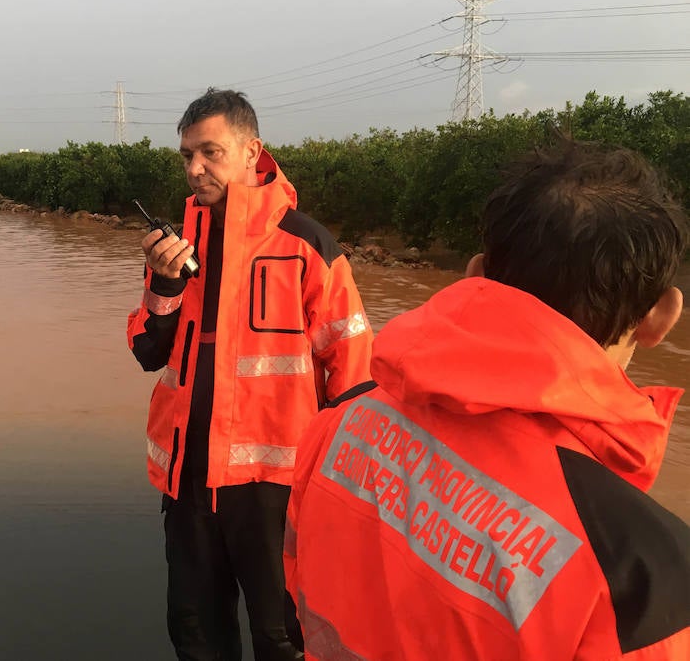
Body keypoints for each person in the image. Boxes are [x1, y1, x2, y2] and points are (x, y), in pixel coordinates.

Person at [284, 139, 690, 660]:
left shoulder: (340, 423)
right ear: (662, 317)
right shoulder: (640, 579)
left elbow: (297, 583)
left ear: (476, 273)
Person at [126, 88, 373, 660]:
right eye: (187, 155)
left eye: (209, 152)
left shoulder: (307, 246)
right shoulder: (175, 249)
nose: (195, 169)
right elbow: (146, 349)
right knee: (195, 632)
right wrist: (164, 286)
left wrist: (344, 496)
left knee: (283, 636)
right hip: (188, 481)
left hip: (275, 488)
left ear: (251, 150)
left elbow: (355, 377)